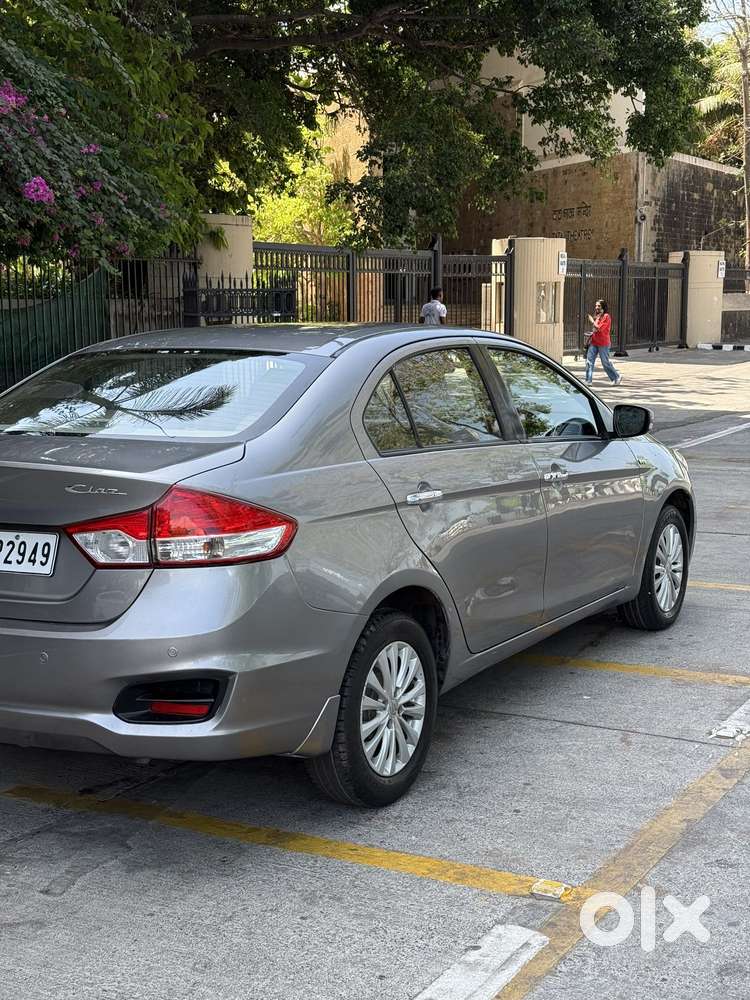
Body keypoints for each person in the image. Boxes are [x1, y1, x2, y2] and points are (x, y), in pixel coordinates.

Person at [585, 300, 622, 385]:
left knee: (605, 363)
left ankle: (616, 377)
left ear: (603, 307)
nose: (596, 307)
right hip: (594, 342)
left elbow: (599, 328)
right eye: (596, 306)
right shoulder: (598, 316)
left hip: (603, 344)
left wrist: (592, 321)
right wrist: (591, 333)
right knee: (589, 361)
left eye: (598, 306)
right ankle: (588, 380)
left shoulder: (606, 317)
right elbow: (595, 330)